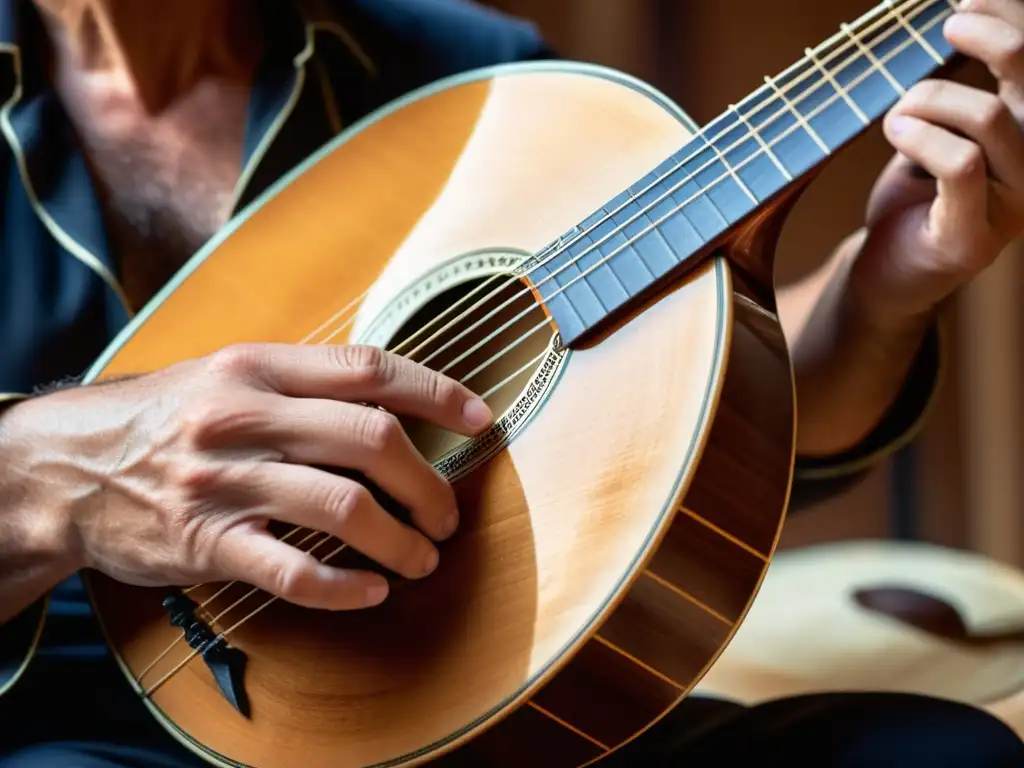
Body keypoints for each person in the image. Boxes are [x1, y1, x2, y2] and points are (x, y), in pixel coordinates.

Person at [0, 0, 1023, 765]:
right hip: (64, 726)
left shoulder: (483, 80)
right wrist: (64, 477)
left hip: (487, 724)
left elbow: (673, 430)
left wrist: (881, 288)